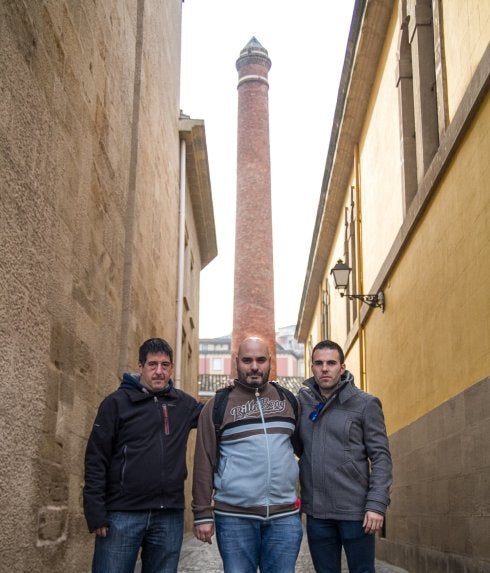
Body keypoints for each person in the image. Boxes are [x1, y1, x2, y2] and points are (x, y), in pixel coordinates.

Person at [83, 337, 203, 573]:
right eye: (152, 364)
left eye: (165, 365)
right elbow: (96, 458)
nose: (159, 371)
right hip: (121, 515)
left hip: (168, 516)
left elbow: (215, 415)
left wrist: (234, 391)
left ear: (171, 368)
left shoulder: (183, 404)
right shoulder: (116, 403)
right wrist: (96, 512)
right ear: (141, 366)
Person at [192, 336, 303, 573]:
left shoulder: (288, 401)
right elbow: (204, 460)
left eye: (261, 360)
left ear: (270, 361)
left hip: (284, 517)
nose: (254, 366)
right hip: (234, 518)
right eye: (247, 360)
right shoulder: (217, 406)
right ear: (236, 362)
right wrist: (202, 513)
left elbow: (302, 451)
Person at [296, 339, 392, 573]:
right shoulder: (301, 405)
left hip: (356, 513)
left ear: (342, 367)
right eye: (319, 363)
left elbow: (381, 457)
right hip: (318, 514)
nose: (325, 368)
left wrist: (377, 505)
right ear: (312, 367)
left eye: (331, 362)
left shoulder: (365, 404)